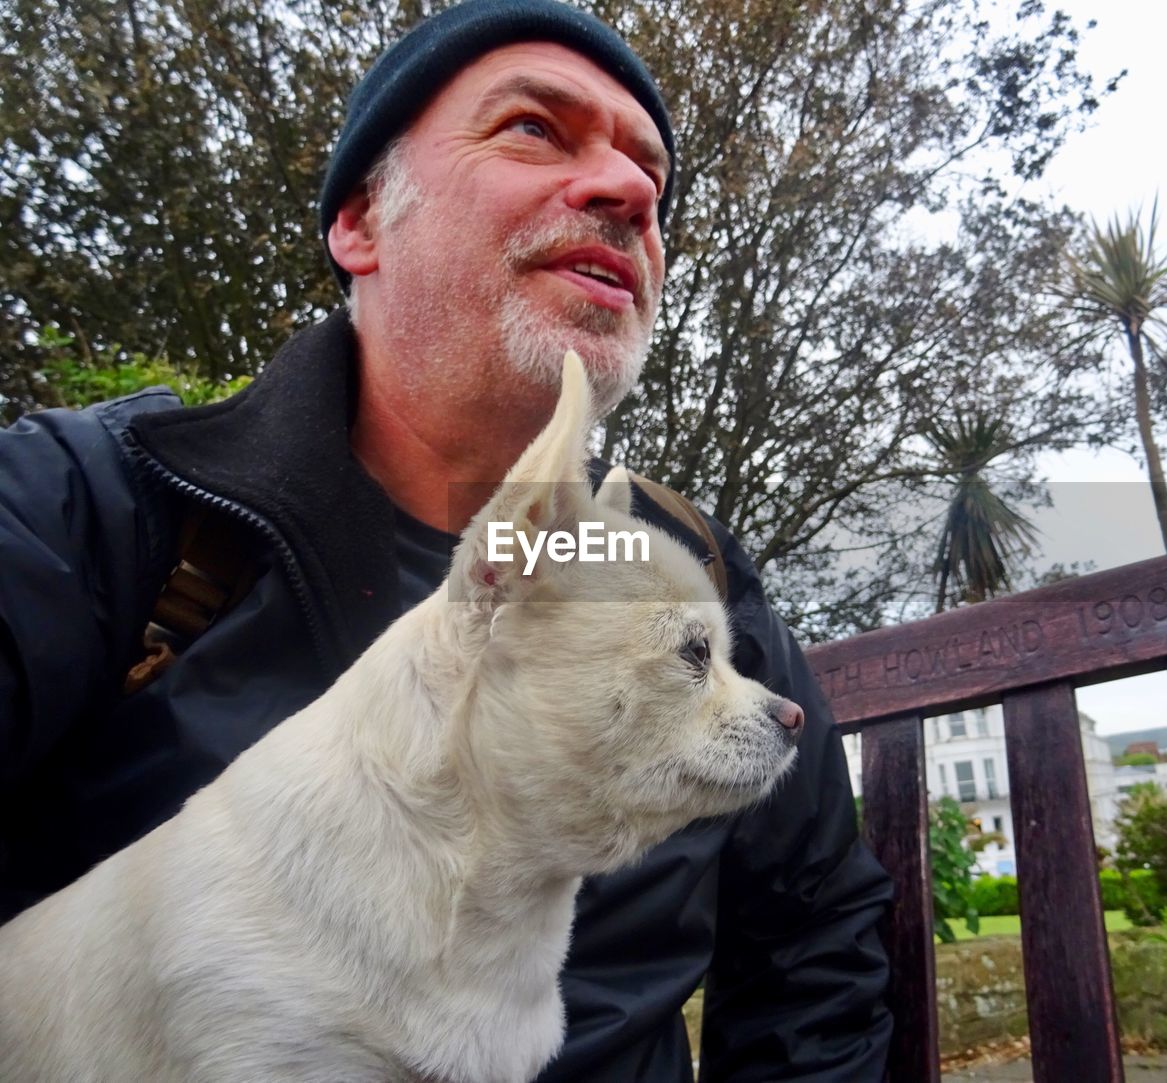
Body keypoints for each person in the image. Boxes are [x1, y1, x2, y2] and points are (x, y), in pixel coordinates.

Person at [0, 0, 893, 1078]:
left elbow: (814, 945)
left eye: (653, 182)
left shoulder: (698, 569)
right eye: (533, 128)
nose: (628, 193)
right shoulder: (96, 501)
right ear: (360, 224)